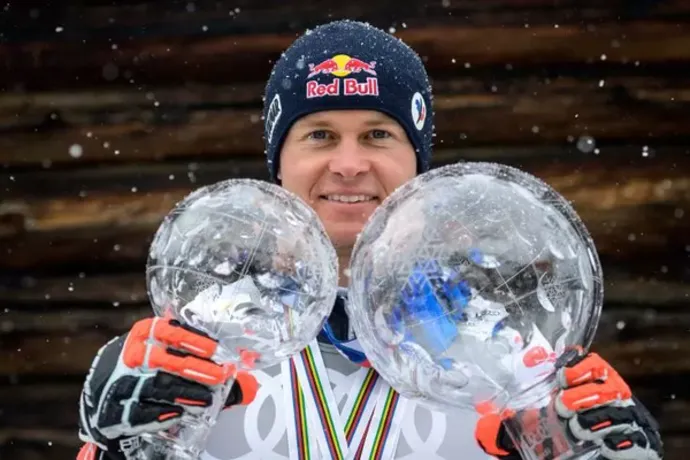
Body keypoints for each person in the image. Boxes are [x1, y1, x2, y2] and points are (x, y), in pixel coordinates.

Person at [76, 20, 663, 460]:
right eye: (320, 135)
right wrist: (110, 448)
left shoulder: (505, 358)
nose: (349, 164)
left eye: (378, 134)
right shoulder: (196, 346)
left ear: (419, 165)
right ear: (279, 165)